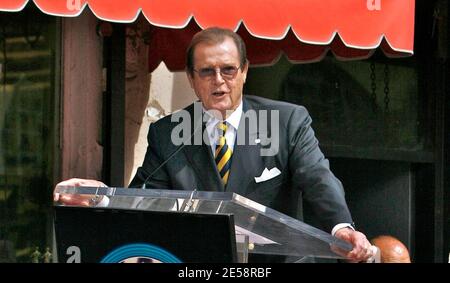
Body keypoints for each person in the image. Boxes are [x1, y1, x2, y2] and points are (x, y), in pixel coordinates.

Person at [54, 27, 374, 263]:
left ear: (245, 72)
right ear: (192, 79)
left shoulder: (287, 122)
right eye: (206, 71)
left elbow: (318, 179)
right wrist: (102, 196)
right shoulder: (167, 134)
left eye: (228, 70)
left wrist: (340, 227)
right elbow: (145, 199)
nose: (218, 80)